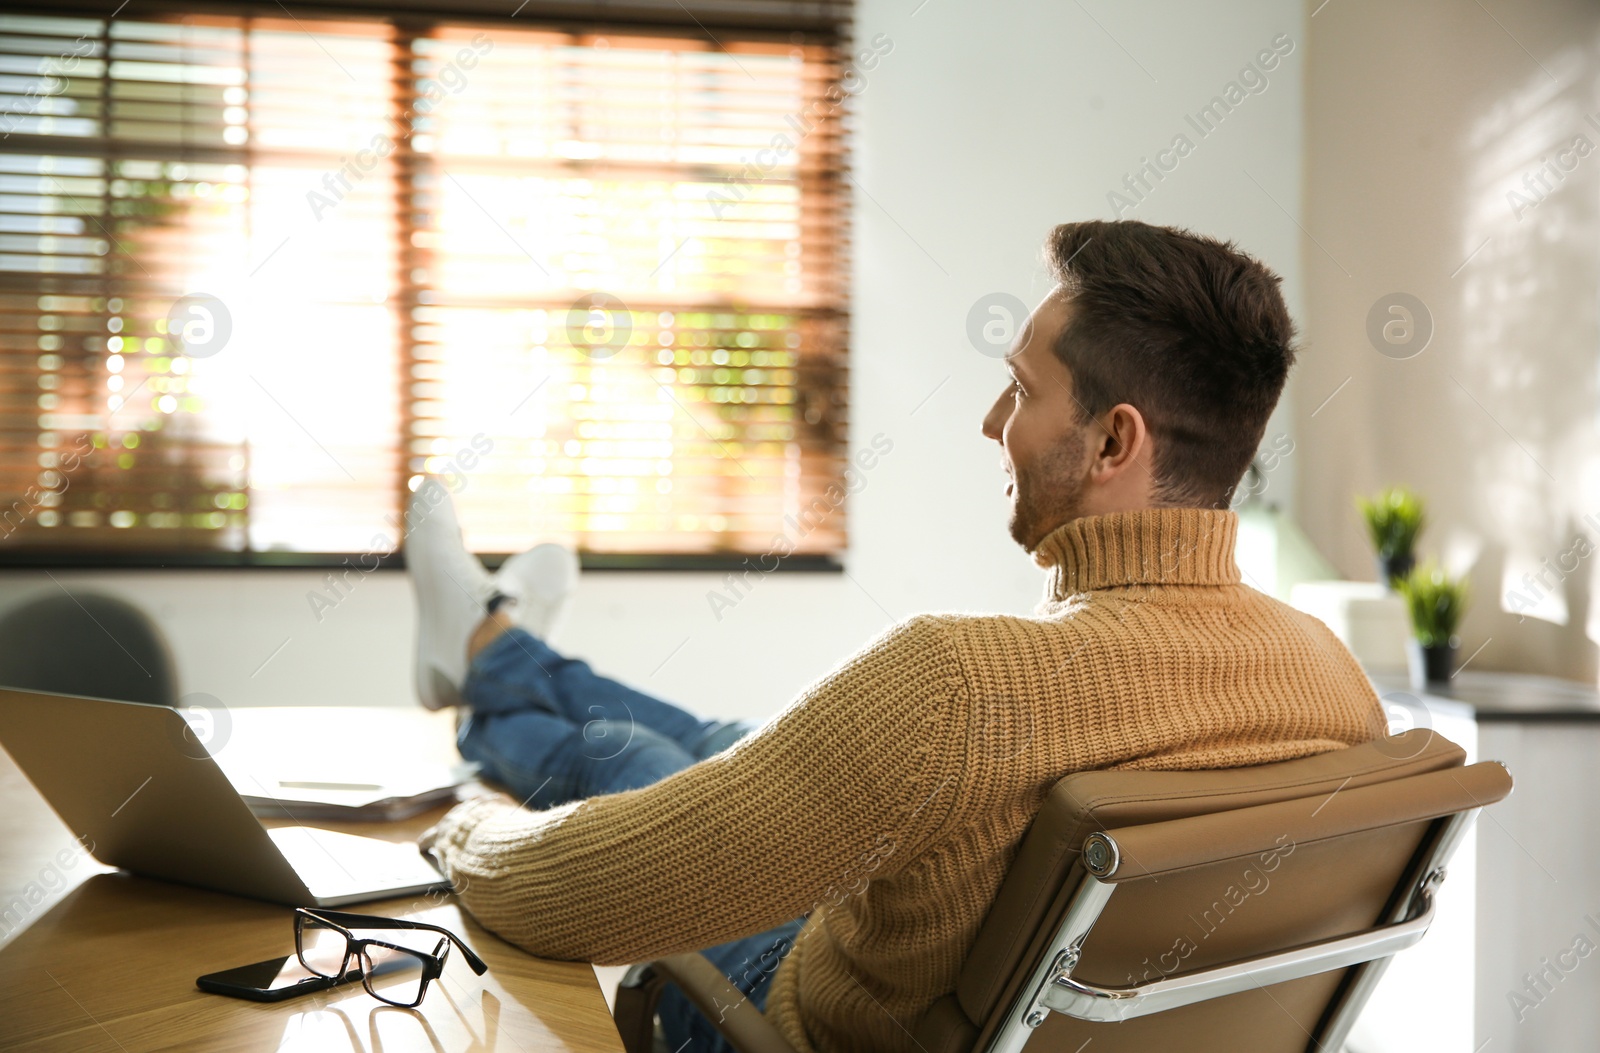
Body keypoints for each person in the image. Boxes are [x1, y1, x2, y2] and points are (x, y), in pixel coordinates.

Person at [415, 219, 1389, 1053]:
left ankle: (483, 661)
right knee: (723, 740)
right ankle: (503, 646)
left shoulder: (958, 690)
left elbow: (585, 889)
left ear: (1111, 442)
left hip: (789, 1012)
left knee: (632, 757)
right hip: (948, 953)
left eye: (1019, 388)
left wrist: (459, 835)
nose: (988, 422)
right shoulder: (1336, 684)